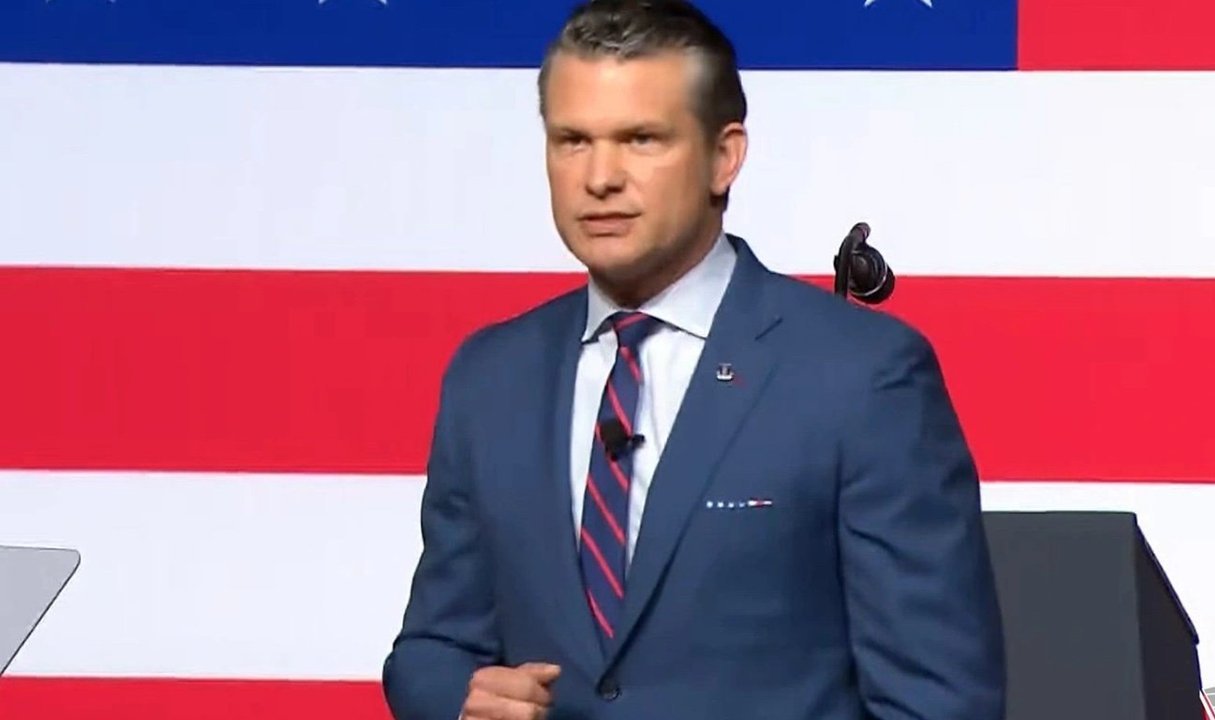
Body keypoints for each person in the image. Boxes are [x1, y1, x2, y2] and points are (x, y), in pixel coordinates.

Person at [382, 1, 1006, 718]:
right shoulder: (492, 377)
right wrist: (459, 700)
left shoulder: (861, 377)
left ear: (723, 157)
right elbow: (433, 647)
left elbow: (939, 702)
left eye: (641, 139)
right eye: (573, 141)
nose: (600, 177)